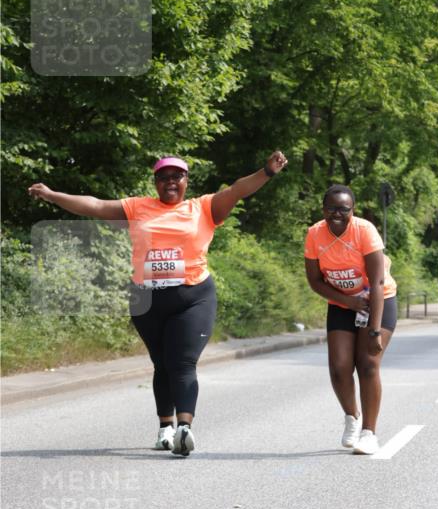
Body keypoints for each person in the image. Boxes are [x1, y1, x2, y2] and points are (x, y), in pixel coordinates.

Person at [28, 151, 288, 456]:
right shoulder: (139, 207)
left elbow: (236, 190)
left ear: (186, 181)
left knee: (182, 362)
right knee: (161, 362)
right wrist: (53, 195)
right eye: (163, 177)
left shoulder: (203, 208)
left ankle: (184, 428)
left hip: (193, 297)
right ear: (156, 182)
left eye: (177, 176)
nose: (170, 182)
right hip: (146, 298)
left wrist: (266, 172)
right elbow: (96, 205)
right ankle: (165, 428)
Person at [304, 184, 397, 455]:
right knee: (339, 367)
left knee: (368, 364)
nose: (337, 214)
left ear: (352, 211)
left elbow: (378, 282)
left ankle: (370, 433)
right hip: (342, 302)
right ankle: (352, 417)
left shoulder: (364, 231)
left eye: (344, 209)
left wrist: (374, 331)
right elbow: (314, 280)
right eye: (331, 209)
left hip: (377, 300)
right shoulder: (314, 234)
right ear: (323, 210)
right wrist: (347, 302)